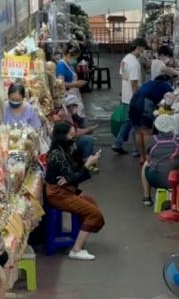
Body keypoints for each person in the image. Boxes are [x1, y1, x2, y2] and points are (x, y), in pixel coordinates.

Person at [45, 121, 104, 260]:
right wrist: (87, 165)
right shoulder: (57, 155)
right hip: (58, 194)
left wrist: (72, 179)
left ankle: (81, 237)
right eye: (72, 134)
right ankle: (76, 249)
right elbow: (74, 176)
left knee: (92, 203)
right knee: (94, 214)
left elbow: (72, 176)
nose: (74, 137)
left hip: (67, 190)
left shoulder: (65, 150)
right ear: (63, 136)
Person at [112, 38, 149, 155]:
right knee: (136, 123)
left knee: (129, 122)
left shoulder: (125, 59)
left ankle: (121, 144)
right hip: (132, 97)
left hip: (126, 95)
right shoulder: (134, 63)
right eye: (143, 49)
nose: (143, 52)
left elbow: (123, 76)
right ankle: (134, 149)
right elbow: (134, 83)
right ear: (138, 47)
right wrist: (136, 99)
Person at [127, 74, 175, 162]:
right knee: (146, 131)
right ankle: (148, 157)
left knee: (138, 131)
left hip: (133, 101)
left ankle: (142, 157)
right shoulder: (165, 85)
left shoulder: (150, 83)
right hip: (145, 103)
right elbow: (171, 100)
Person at [141, 114, 179, 207]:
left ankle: (146, 197)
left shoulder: (153, 140)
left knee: (145, 164)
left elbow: (148, 159)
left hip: (156, 179)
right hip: (176, 179)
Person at [62, 92, 95, 158]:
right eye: (75, 106)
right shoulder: (65, 117)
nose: (76, 107)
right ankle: (87, 161)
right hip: (68, 142)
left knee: (84, 122)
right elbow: (73, 132)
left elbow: (80, 123)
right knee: (88, 140)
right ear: (70, 106)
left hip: (72, 139)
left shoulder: (73, 115)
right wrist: (87, 130)